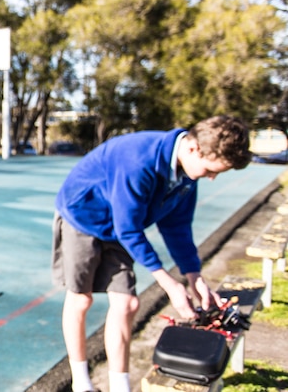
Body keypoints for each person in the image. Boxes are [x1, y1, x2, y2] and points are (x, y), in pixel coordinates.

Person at [51, 115, 251, 392]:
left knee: (128, 305)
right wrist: (169, 283)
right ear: (193, 148)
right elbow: (129, 229)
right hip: (82, 218)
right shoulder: (138, 160)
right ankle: (81, 383)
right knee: (81, 300)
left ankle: (120, 387)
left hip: (120, 227)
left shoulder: (187, 172)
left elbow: (177, 225)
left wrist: (194, 276)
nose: (212, 178)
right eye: (209, 170)